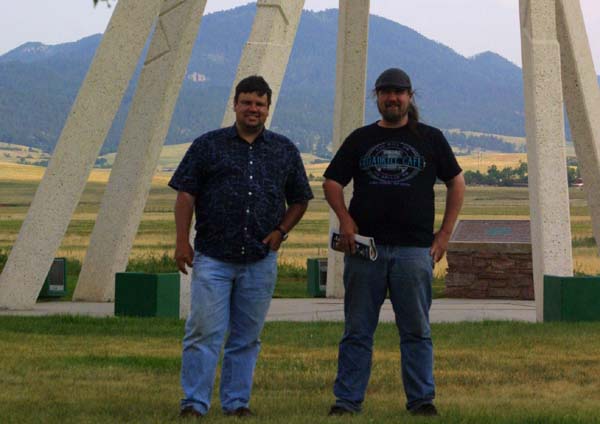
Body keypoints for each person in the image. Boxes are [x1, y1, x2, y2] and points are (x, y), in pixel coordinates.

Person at [323, 68, 465, 417]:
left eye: (399, 93)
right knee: (357, 330)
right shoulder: (361, 138)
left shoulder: (430, 138)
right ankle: (347, 401)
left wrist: (444, 235)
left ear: (409, 97)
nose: (393, 98)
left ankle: (421, 400)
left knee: (416, 330)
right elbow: (331, 182)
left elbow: (457, 182)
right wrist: (344, 219)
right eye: (386, 92)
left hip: (414, 250)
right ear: (377, 97)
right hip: (365, 249)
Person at [169, 75, 313, 418]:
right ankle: (194, 403)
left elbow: (300, 199)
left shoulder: (283, 150)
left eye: (260, 104)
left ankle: (236, 403)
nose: (253, 109)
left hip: (260, 259)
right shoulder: (208, 145)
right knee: (203, 332)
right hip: (213, 258)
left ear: (268, 109)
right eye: (247, 102)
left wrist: (281, 231)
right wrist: (181, 241)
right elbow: (186, 194)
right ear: (235, 105)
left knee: (247, 337)